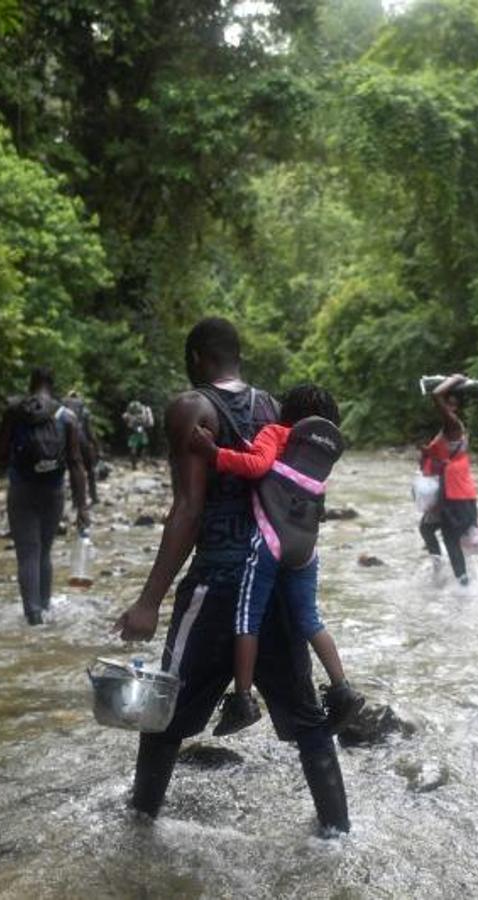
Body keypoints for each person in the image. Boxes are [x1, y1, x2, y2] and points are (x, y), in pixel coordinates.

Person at [113, 318, 351, 835]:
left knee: (165, 712)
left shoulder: (190, 408)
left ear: (198, 357)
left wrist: (149, 601)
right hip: (274, 578)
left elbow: (188, 509)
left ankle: (138, 828)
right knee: (307, 717)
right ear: (237, 357)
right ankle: (337, 833)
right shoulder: (275, 408)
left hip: (218, 581)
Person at [188, 383, 364, 737]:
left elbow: (256, 466)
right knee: (310, 619)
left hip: (269, 541)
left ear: (287, 413)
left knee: (246, 620)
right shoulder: (321, 453)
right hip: (306, 549)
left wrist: (212, 453)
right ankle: (343, 689)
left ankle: (242, 700)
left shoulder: (276, 432)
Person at [0, 366, 90, 625]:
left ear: (31, 383)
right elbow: (75, 463)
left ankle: (33, 617)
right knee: (44, 551)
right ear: (53, 384)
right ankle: (46, 609)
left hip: (21, 489)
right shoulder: (67, 417)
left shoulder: (15, 411)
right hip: (53, 491)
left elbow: (1, 453)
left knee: (27, 552)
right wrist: (82, 507)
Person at [418, 373, 478, 586]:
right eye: (448, 404)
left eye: (452, 404)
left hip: (457, 494)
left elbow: (436, 394)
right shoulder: (448, 430)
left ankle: (463, 585)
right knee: (427, 528)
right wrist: (427, 452)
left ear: (456, 408)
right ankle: (439, 569)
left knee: (451, 539)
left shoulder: (453, 424)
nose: (448, 407)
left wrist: (455, 378)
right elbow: (441, 457)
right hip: (448, 492)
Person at [63, 389, 101, 505]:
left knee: (73, 470)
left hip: (68, 443)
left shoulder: (63, 411)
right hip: (82, 439)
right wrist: (97, 447)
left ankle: (76, 500)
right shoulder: (84, 411)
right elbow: (90, 432)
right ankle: (93, 496)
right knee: (90, 470)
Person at [122, 400, 154, 468]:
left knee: (134, 448)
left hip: (134, 432)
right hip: (141, 430)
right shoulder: (144, 411)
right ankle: (142, 461)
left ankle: (135, 463)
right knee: (144, 446)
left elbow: (125, 418)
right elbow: (150, 423)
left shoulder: (131, 413)